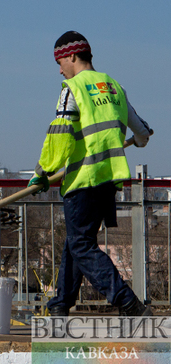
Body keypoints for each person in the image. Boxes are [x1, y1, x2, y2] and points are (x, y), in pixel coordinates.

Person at [28, 31, 152, 317]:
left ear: (71, 56)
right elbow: (141, 130)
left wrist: (42, 172)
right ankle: (61, 304)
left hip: (82, 180)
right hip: (108, 180)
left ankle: (127, 301)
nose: (59, 69)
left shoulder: (72, 88)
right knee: (76, 242)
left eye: (59, 62)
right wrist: (143, 137)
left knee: (81, 245)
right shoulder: (113, 86)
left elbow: (60, 135)